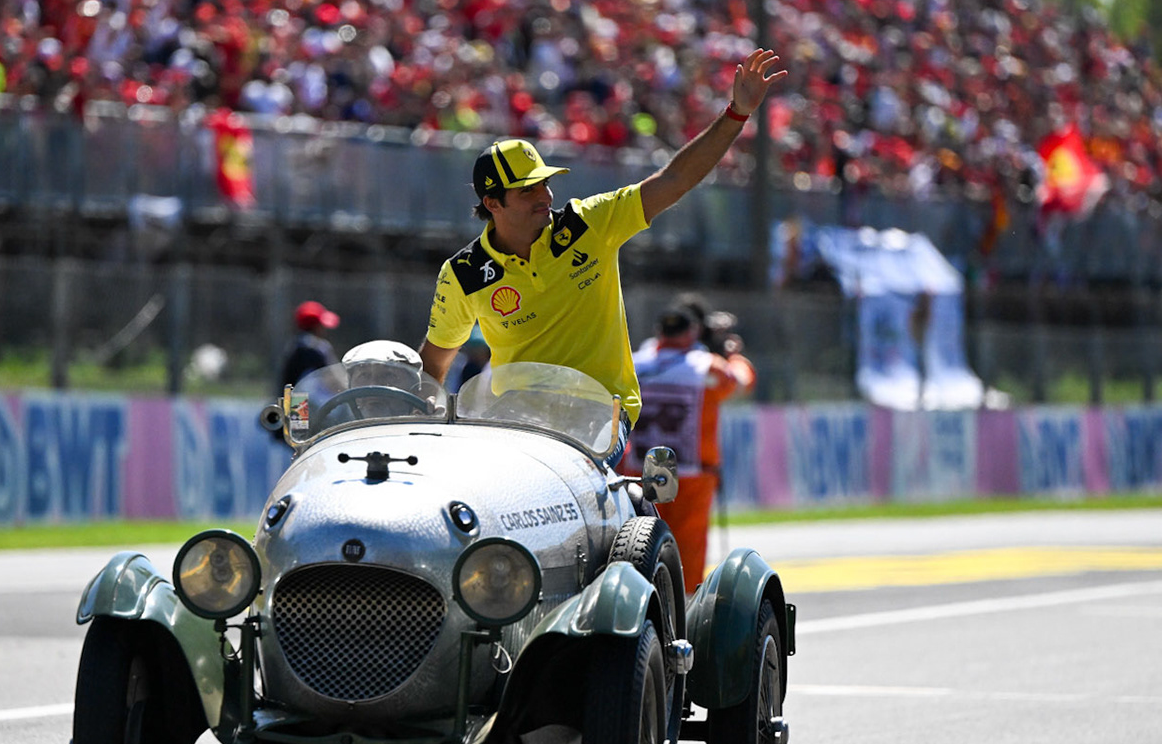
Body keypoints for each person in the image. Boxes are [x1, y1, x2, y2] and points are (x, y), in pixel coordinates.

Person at [420, 48, 787, 455]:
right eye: (528, 190)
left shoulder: (589, 224)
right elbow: (434, 363)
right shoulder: (464, 273)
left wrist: (736, 113)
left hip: (599, 413)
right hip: (516, 420)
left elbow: (675, 178)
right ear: (492, 204)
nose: (545, 195)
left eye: (545, 183)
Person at [622, 301, 755, 589]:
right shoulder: (707, 367)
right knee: (688, 547)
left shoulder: (632, 362)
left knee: (640, 539)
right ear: (692, 332)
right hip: (691, 471)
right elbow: (744, 381)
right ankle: (685, 604)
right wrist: (730, 353)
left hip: (640, 467)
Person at [278, 299, 341, 394]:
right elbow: (335, 381)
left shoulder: (293, 348)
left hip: (297, 405)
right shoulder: (319, 348)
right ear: (317, 326)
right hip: (318, 406)